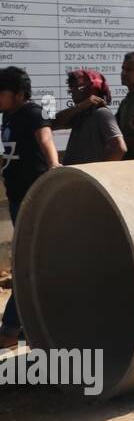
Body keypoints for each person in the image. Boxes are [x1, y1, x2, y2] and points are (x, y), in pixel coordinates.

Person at [0, 66, 59, 348]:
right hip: (16, 198)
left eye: (1, 92)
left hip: (33, 198)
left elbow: (45, 137)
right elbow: (10, 154)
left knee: (27, 266)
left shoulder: (32, 112)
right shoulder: (7, 116)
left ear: (20, 94)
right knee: (32, 264)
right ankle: (25, 327)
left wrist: (54, 164)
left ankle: (11, 330)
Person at [54, 68, 126, 165]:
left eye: (76, 88)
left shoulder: (102, 113)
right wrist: (78, 107)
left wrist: (100, 172)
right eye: (70, 88)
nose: (71, 92)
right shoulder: (80, 113)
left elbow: (119, 148)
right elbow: (52, 123)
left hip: (88, 178)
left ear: (90, 89)